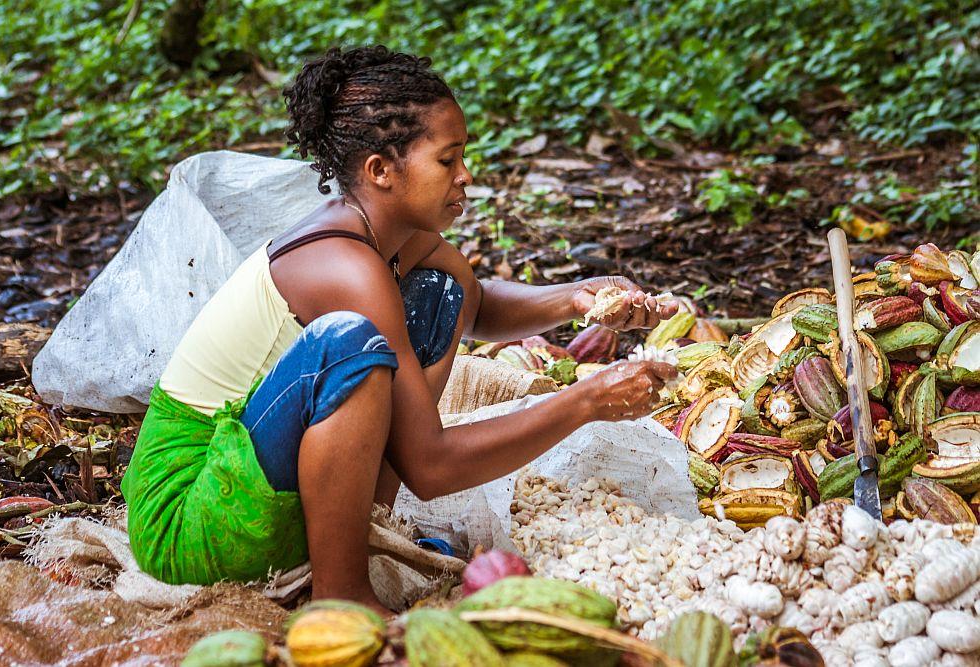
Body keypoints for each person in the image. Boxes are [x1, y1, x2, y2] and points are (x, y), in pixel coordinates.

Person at [120, 45, 677, 616]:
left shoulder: (388, 238)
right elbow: (430, 468)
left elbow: (477, 306)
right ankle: (344, 595)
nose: (466, 175)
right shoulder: (347, 267)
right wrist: (585, 401)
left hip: (247, 482)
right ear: (381, 171)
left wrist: (579, 297)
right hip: (191, 516)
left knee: (443, 288)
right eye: (447, 160)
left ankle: (361, 531)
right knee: (349, 345)